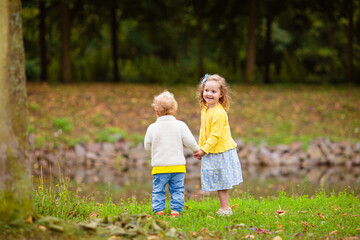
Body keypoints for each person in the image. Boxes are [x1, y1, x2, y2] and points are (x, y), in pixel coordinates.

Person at [193, 74, 243, 216]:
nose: (209, 94)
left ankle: (226, 209)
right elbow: (204, 131)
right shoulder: (205, 109)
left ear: (221, 95)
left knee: (222, 181)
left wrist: (204, 150)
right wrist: (200, 147)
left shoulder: (219, 113)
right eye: (206, 90)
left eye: (213, 92)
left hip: (221, 151)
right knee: (218, 180)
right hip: (212, 150)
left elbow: (215, 135)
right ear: (202, 91)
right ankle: (224, 207)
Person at [144, 90, 199, 218]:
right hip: (177, 166)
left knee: (158, 190)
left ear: (156, 112)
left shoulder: (152, 128)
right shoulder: (180, 125)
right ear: (174, 111)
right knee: (177, 189)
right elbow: (190, 141)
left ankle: (159, 210)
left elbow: (147, 145)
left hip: (160, 167)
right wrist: (196, 150)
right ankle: (176, 210)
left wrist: (154, 154)